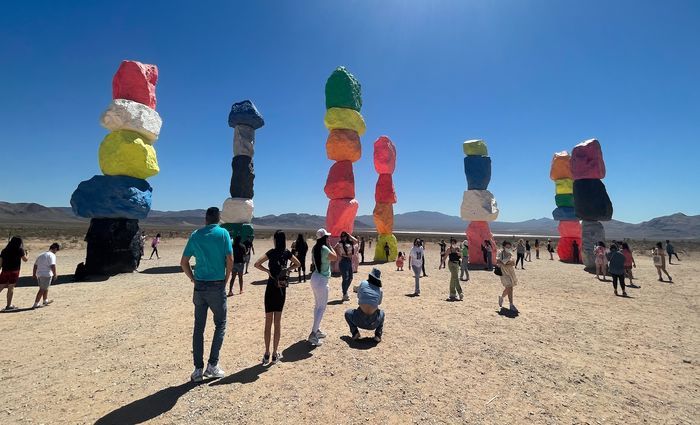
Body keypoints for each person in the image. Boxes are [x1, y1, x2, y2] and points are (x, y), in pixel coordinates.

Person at [180, 207, 233, 382]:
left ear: (206, 219)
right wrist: (226, 279)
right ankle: (212, 365)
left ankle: (197, 370)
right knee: (220, 324)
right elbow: (230, 259)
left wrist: (193, 278)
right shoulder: (224, 234)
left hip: (200, 287)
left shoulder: (195, 235)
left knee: (199, 328)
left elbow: (184, 262)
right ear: (218, 219)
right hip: (217, 286)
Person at [254, 230, 300, 366]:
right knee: (277, 322)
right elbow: (298, 264)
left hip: (270, 287)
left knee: (268, 322)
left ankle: (266, 353)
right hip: (281, 289)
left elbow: (257, 264)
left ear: (275, 240)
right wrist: (287, 269)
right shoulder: (287, 253)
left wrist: (268, 271)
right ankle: (275, 353)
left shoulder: (271, 252)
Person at [307, 228, 338, 346]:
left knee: (317, 306)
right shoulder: (325, 249)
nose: (328, 238)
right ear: (324, 238)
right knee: (321, 308)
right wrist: (330, 246)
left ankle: (317, 329)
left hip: (315, 278)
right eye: (327, 237)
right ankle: (313, 334)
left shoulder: (315, 248)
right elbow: (335, 257)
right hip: (321, 280)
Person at [344, 268, 385, 343]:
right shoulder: (380, 290)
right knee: (382, 313)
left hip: (359, 320)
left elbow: (359, 297)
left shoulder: (363, 283)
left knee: (347, 313)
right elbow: (378, 303)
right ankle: (378, 335)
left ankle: (355, 333)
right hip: (373, 323)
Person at [0, 236, 29, 311]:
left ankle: (9, 306)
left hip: (5, 271)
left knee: (1, 286)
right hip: (14, 271)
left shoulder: (4, 250)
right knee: (11, 288)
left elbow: (0, 263)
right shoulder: (20, 250)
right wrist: (27, 253)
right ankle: (8, 305)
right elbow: (25, 260)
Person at [32, 243, 60, 309]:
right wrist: (55, 274)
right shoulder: (52, 255)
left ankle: (45, 300)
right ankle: (36, 303)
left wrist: (34, 274)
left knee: (45, 288)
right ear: (55, 249)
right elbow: (52, 265)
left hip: (39, 274)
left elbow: (35, 265)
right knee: (42, 289)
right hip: (46, 274)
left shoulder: (41, 255)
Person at [335, 232, 358, 302]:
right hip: (343, 261)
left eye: (345, 236)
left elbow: (356, 241)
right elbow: (334, 248)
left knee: (350, 278)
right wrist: (340, 255)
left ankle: (345, 291)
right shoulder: (340, 243)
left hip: (349, 261)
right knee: (345, 278)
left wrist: (349, 235)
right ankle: (345, 294)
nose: (343, 237)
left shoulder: (350, 243)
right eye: (342, 236)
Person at [496, 241, 518, 313]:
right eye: (507, 247)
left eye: (509, 247)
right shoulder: (500, 253)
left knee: (508, 288)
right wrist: (506, 262)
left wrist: (505, 263)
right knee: (510, 287)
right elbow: (498, 262)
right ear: (504, 247)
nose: (508, 248)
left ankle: (501, 297)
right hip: (503, 273)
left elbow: (513, 263)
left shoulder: (510, 253)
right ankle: (511, 304)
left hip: (510, 272)